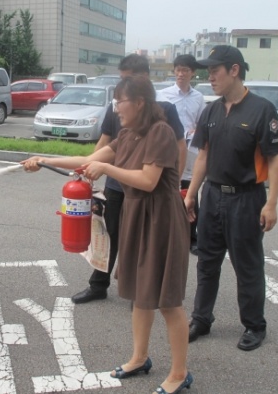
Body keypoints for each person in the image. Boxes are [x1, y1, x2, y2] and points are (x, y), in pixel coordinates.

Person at [22, 75, 193, 393]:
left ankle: (180, 373)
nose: (116, 108)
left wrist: (108, 170)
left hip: (162, 221)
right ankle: (139, 358)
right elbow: (88, 160)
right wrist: (44, 161)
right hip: (136, 217)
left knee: (167, 300)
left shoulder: (161, 133)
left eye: (120, 102)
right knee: (141, 295)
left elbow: (148, 180)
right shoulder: (127, 134)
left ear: (139, 103)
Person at [183, 45, 278, 351]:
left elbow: (275, 159)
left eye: (215, 71)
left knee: (248, 266)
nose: (210, 77)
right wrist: (191, 195)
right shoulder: (211, 110)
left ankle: (254, 325)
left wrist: (272, 203)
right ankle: (201, 318)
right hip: (213, 196)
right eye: (209, 72)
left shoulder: (262, 109)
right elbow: (203, 156)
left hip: (247, 199)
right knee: (207, 263)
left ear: (234, 70)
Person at [71, 54, 187, 305]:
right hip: (119, 187)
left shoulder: (162, 119)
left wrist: (175, 182)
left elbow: (160, 167)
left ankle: (143, 290)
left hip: (149, 196)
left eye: (128, 82)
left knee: (143, 244)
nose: (118, 104)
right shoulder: (123, 118)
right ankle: (103, 285)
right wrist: (46, 160)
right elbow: (101, 148)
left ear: (143, 82)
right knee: (109, 234)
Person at [157, 54, 206, 255]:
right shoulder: (163, 95)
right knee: (167, 190)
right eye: (178, 69)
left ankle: (191, 237)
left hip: (191, 150)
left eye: (185, 70)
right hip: (169, 149)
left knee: (189, 192)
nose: (181, 74)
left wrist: (197, 131)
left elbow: (201, 123)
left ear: (192, 73)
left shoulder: (198, 97)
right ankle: (167, 234)